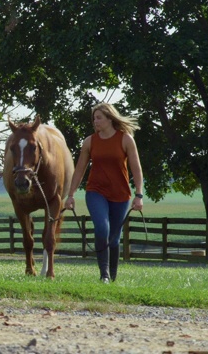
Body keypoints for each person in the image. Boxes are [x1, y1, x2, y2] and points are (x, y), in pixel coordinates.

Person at [65, 103, 144, 283]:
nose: (95, 121)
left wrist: (139, 195)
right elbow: (79, 170)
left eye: (99, 117)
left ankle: (113, 276)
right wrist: (70, 195)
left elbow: (136, 169)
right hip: (96, 191)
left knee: (114, 239)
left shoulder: (125, 139)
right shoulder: (90, 141)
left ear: (110, 118)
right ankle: (104, 275)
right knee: (102, 228)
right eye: (94, 118)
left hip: (120, 194)